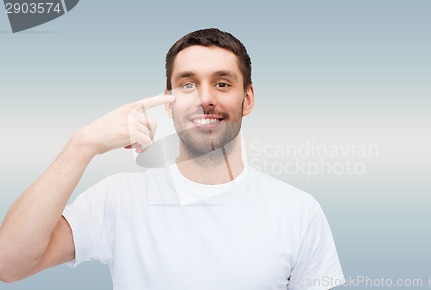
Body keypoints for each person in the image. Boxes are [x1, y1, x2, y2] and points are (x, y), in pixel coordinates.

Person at [0, 28, 344, 289]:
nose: (205, 98)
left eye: (222, 84)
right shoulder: (119, 198)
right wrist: (82, 144)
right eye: (188, 85)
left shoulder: (299, 211)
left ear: (248, 99)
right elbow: (9, 263)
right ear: (169, 101)